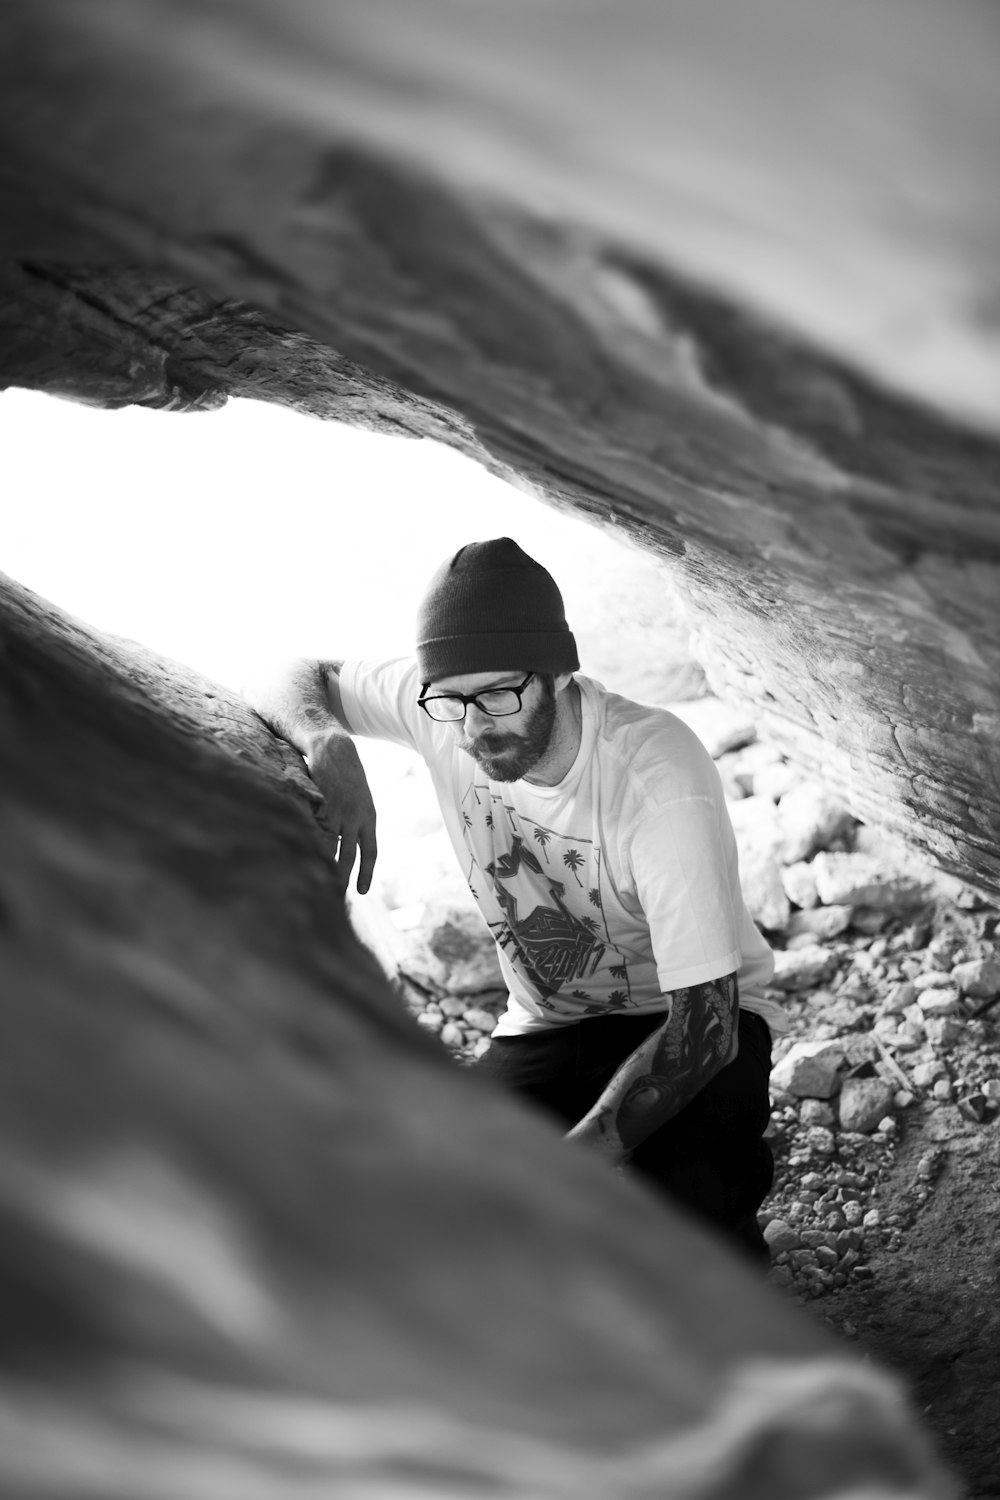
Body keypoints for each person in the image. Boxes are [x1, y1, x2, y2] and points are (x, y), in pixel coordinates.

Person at [245, 537, 786, 1259]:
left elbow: (707, 1027)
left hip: (689, 1014)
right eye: (452, 702)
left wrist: (579, 1157)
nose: (473, 727)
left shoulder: (656, 778)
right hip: (547, 1025)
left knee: (690, 1209)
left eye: (499, 696)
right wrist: (327, 741)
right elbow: (295, 672)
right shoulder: (448, 700)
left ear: (558, 673)